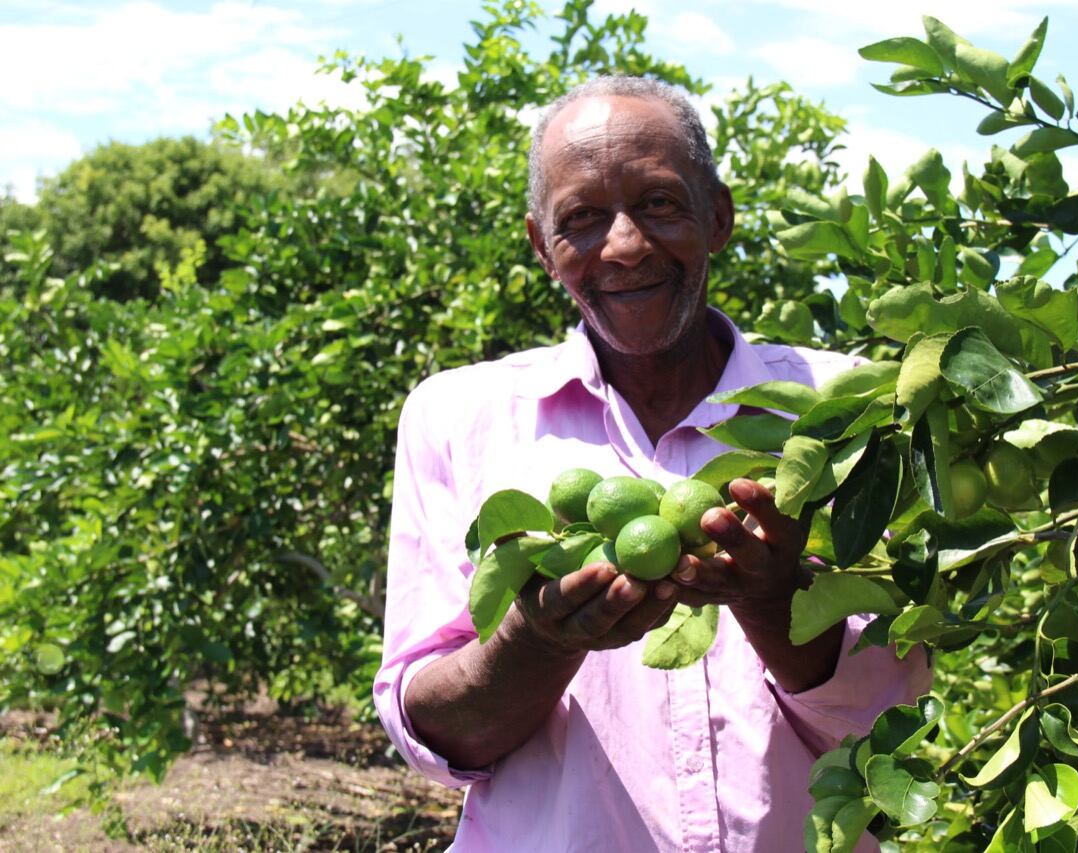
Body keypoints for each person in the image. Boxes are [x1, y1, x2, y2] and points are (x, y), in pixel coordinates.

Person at [374, 76, 930, 852]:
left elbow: (896, 720)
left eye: (660, 203)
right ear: (541, 246)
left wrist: (776, 600)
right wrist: (538, 640)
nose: (626, 245)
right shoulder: (458, 417)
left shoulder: (842, 409)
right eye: (581, 218)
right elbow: (432, 731)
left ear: (719, 217)